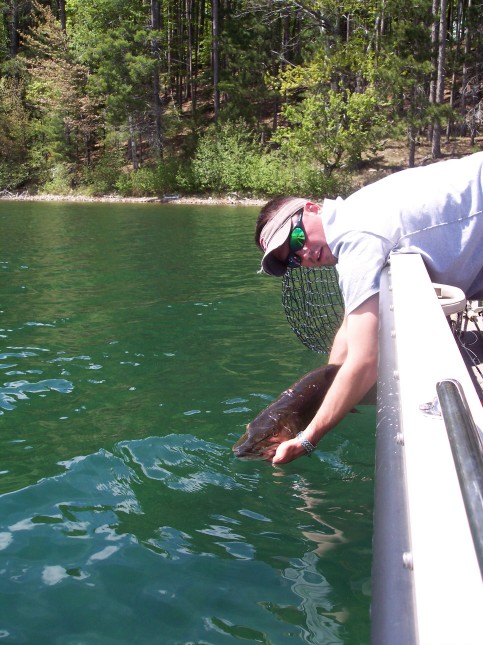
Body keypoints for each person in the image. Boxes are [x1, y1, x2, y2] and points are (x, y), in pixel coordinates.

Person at [255, 152, 483, 465]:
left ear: (311, 208)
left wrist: (307, 439)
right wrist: (326, 388)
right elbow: (350, 327)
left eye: (296, 238)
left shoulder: (354, 238)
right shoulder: (354, 213)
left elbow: (364, 360)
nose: (303, 253)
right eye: (293, 259)